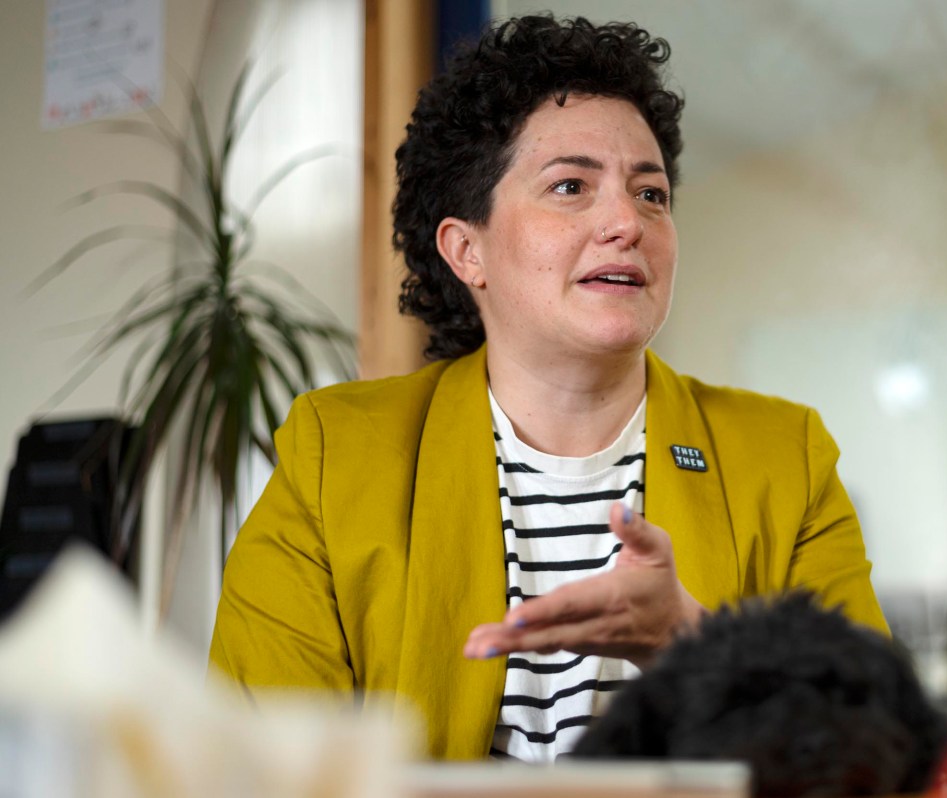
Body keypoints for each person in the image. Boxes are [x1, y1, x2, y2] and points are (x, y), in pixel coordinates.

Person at [209, 14, 889, 762]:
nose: (627, 222)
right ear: (467, 250)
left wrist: (687, 644)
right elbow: (261, 766)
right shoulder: (335, 457)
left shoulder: (782, 458)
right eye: (571, 185)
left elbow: (874, 755)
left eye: (652, 194)